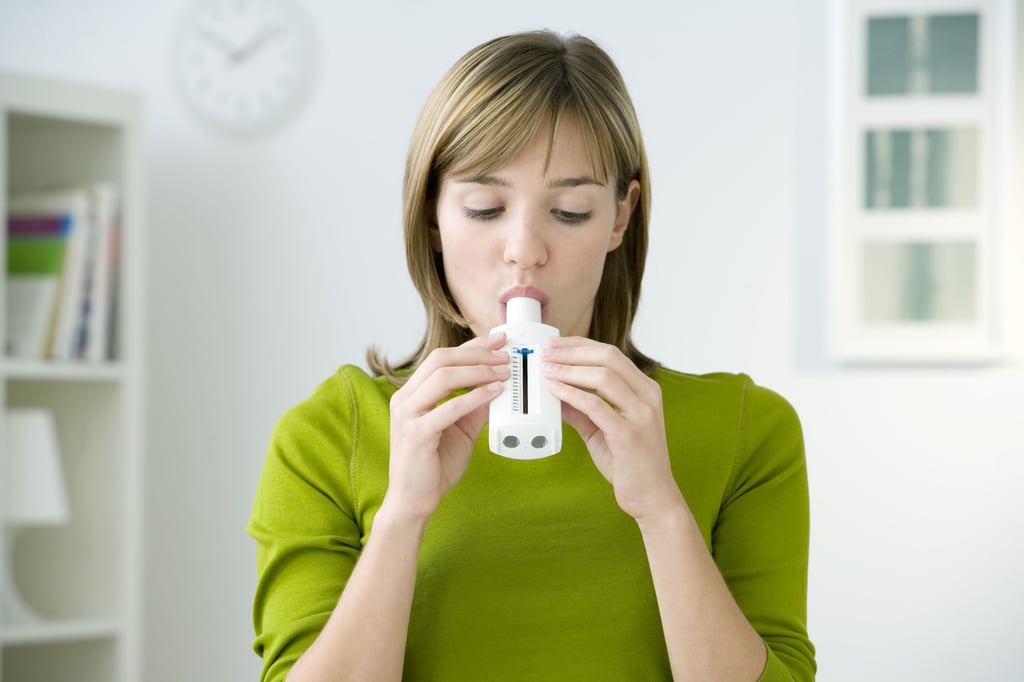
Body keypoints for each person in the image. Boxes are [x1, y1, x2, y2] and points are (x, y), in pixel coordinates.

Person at [248, 30, 815, 682]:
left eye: (569, 211)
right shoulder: (326, 435)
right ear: (432, 213)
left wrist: (661, 509)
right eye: (485, 207)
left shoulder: (748, 431)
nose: (524, 249)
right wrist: (403, 517)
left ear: (620, 218)